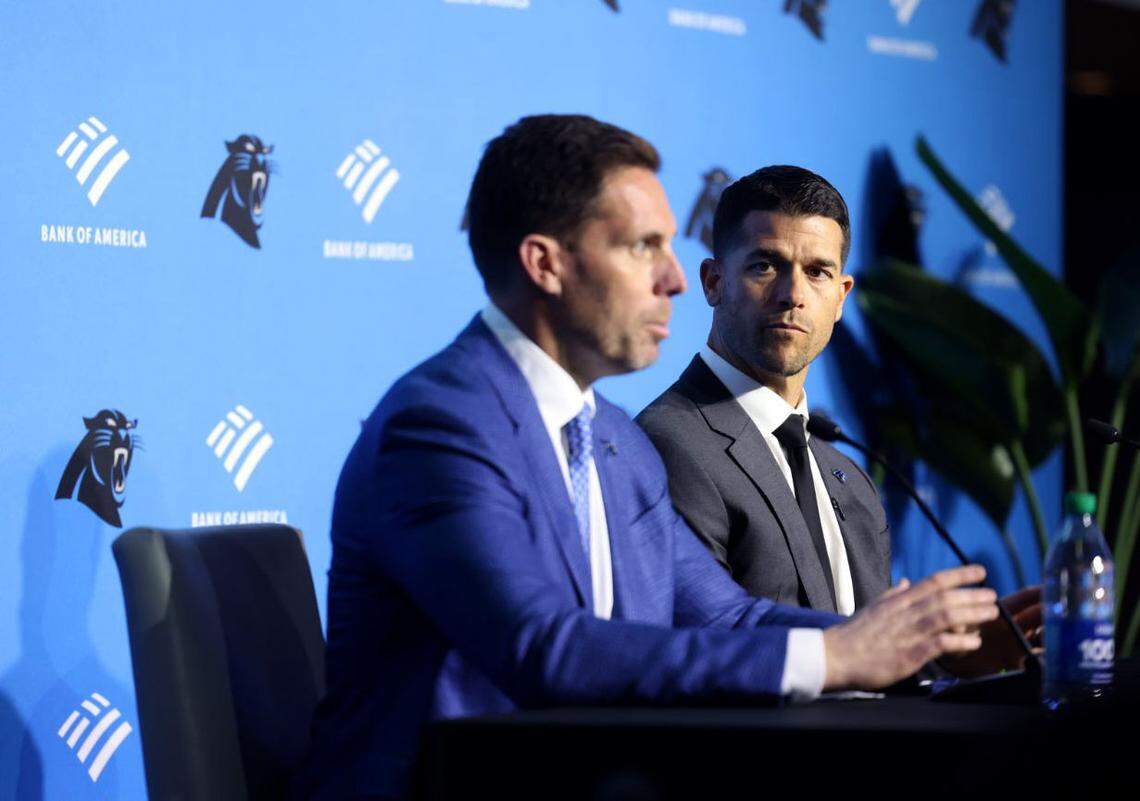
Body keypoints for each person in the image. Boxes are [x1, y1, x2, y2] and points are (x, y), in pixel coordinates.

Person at [295, 118, 998, 800]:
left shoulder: (618, 442)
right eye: (643, 247)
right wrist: (833, 657)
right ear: (546, 263)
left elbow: (729, 620)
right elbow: (544, 648)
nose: (675, 279)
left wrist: (915, 643)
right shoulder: (441, 425)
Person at [635, 166, 1037, 663]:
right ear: (714, 281)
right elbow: (707, 648)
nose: (793, 294)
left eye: (817, 272)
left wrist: (954, 657)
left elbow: (870, 660)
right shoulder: (670, 443)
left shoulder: (847, 474)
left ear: (842, 296)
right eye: (765, 266)